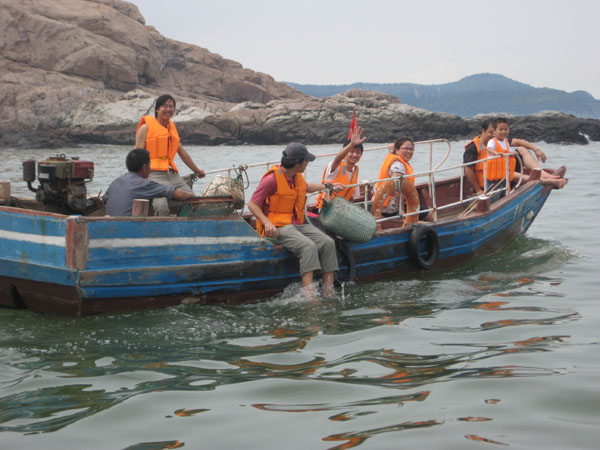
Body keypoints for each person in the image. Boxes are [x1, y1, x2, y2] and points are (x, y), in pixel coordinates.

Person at [248, 143, 344, 298]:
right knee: (308, 246)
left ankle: (328, 290)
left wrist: (328, 186)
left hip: (296, 224)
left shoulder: (296, 176)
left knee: (328, 242)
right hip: (278, 226)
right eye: (306, 161)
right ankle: (309, 295)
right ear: (297, 163)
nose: (308, 163)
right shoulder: (271, 180)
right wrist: (267, 223)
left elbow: (306, 187)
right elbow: (252, 204)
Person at [135, 94, 206, 215]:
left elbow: (183, 154)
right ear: (157, 109)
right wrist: (138, 180)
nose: (168, 109)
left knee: (194, 200)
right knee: (161, 206)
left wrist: (197, 171)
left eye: (171, 106)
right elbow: (137, 156)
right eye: (164, 106)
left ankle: (186, 225)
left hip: (172, 175)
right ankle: (162, 226)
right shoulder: (145, 128)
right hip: (153, 175)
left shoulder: (171, 130)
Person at [103, 148, 194, 216]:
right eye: (149, 166)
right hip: (129, 228)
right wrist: (193, 195)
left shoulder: (115, 182)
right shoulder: (145, 184)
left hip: (110, 226)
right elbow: (179, 194)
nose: (150, 169)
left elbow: (104, 199)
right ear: (144, 167)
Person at [488, 118, 567, 189]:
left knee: (521, 149)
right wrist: (496, 153)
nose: (503, 132)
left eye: (506, 129)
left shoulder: (505, 141)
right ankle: (547, 181)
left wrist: (536, 149)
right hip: (500, 171)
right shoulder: (492, 142)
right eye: (500, 130)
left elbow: (517, 143)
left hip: (508, 168)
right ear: (494, 131)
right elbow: (489, 149)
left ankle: (543, 174)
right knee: (517, 175)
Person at [372, 137, 421, 226]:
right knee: (428, 213)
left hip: (383, 205)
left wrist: (393, 149)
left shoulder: (392, 158)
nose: (409, 151)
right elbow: (397, 186)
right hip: (392, 207)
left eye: (411, 149)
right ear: (397, 150)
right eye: (406, 148)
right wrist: (401, 210)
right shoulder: (398, 165)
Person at [316, 127, 367, 209]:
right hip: (327, 209)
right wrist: (352, 144)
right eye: (351, 151)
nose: (355, 155)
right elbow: (337, 159)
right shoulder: (336, 166)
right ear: (345, 152)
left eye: (358, 152)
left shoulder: (354, 171)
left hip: (342, 209)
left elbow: (354, 196)